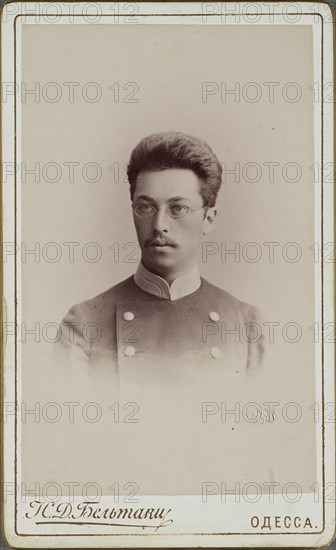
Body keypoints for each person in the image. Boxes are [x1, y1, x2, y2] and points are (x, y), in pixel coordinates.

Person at [55, 131, 265, 389]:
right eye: (146, 207)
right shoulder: (84, 323)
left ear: (208, 219)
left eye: (178, 208)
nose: (159, 225)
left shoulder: (246, 324)